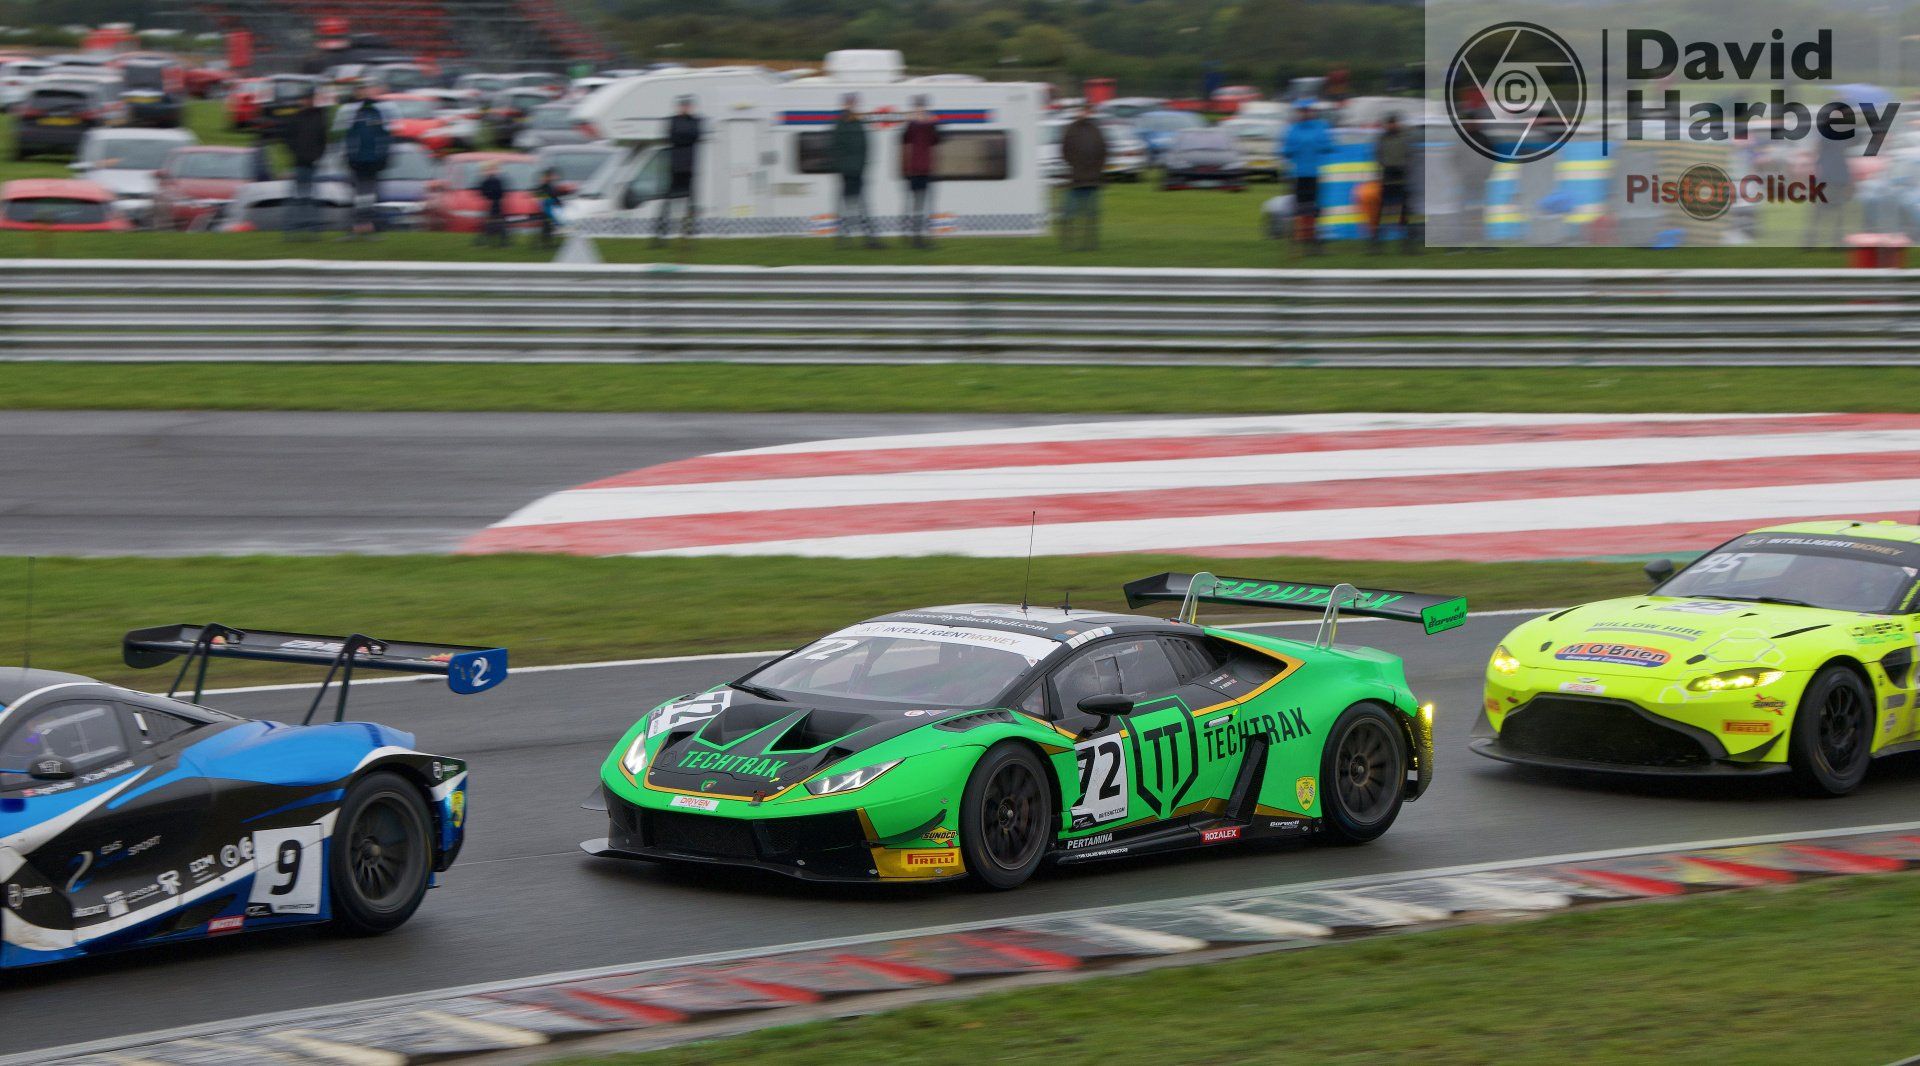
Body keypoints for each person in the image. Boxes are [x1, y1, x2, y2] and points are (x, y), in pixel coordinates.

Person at [829, 94, 882, 248]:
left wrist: (861, 167)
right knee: (847, 206)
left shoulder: (857, 124)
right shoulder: (840, 124)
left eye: (853, 104)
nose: (851, 107)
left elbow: (865, 148)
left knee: (860, 205)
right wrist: (842, 168)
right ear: (844, 105)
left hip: (857, 172)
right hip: (847, 172)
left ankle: (868, 238)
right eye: (849, 104)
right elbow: (836, 149)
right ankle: (845, 239)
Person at [341, 83, 391, 239]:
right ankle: (358, 226)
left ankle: (368, 226)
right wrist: (349, 156)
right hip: (358, 160)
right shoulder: (354, 113)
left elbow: (383, 137)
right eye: (361, 90)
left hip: (372, 160)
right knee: (358, 195)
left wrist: (383, 156)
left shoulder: (377, 112)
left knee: (368, 194)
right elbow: (349, 137)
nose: (363, 93)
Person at [1282, 103, 1333, 254]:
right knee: (1300, 208)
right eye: (1302, 111)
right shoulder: (1293, 129)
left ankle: (1315, 240)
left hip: (1315, 173)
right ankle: (1301, 237)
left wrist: (1317, 146)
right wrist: (1295, 149)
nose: (1304, 114)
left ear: (1311, 112)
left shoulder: (1320, 127)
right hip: (1298, 174)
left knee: (1315, 208)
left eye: (1307, 111)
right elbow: (1286, 150)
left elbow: (1328, 146)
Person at [1058, 104, 1108, 251]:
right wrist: (1074, 166)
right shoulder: (1071, 129)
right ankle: (1068, 244)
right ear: (1078, 111)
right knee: (1068, 215)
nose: (1085, 113)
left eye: (1088, 111)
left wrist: (1097, 169)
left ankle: (1090, 244)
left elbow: (1103, 151)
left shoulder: (1096, 130)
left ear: (1091, 112)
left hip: (1092, 181)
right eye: (1083, 110)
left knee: (1091, 216)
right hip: (1075, 180)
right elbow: (1064, 151)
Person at [280, 89, 329, 239]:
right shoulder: (297, 117)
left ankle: (312, 228)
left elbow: (323, 140)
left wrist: (317, 155)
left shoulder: (319, 117)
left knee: (311, 198)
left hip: (312, 163)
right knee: (297, 198)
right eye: (304, 99)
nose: (306, 102)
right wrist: (297, 152)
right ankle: (292, 228)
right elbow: (287, 138)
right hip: (299, 162)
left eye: (308, 99)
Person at [655, 95, 701, 245]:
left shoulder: (695, 121)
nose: (685, 109)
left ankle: (688, 232)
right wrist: (684, 138)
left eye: (687, 106)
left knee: (690, 201)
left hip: (689, 165)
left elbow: (694, 136)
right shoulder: (673, 120)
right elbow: (672, 137)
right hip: (675, 165)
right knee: (668, 200)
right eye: (683, 106)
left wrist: (682, 137)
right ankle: (662, 233)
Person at [900, 95, 941, 248]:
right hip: (914, 170)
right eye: (918, 107)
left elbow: (936, 140)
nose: (920, 110)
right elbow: (904, 141)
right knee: (916, 205)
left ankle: (924, 237)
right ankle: (915, 238)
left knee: (925, 205)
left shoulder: (930, 124)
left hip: (926, 169)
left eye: (922, 107)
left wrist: (931, 123)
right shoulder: (911, 126)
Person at [1371, 112, 1414, 253]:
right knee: (1382, 211)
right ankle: (1377, 242)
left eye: (1394, 123)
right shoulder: (1382, 139)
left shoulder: (1404, 138)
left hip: (1401, 179)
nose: (1392, 125)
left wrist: (1402, 167)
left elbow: (1409, 155)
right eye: (1390, 123)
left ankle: (1406, 243)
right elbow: (1378, 155)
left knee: (1403, 212)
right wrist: (1386, 166)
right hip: (1387, 179)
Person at [477, 161, 508, 247]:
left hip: (496, 204)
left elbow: (500, 193)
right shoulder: (486, 180)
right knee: (490, 224)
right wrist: (488, 196)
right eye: (488, 169)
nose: (490, 171)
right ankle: (492, 241)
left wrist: (490, 196)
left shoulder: (496, 180)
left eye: (492, 169)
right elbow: (482, 191)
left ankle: (502, 242)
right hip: (490, 204)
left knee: (497, 224)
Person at [536, 166, 563, 247]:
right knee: (549, 223)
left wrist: (559, 203)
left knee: (548, 225)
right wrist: (557, 202)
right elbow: (545, 198)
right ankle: (547, 242)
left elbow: (554, 197)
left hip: (550, 208)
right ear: (549, 176)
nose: (555, 177)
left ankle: (547, 241)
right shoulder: (545, 186)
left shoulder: (549, 185)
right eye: (553, 175)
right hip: (546, 209)